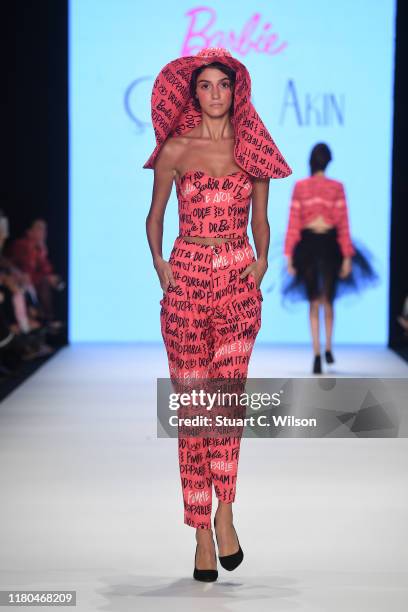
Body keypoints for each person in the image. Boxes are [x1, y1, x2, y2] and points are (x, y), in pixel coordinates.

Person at [145, 47, 291, 581]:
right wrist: (161, 264)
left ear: (235, 92)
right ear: (193, 93)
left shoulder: (254, 150)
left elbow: (263, 220)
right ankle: (200, 532)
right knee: (194, 410)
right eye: (204, 85)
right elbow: (154, 216)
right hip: (185, 278)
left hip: (235, 279)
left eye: (221, 85)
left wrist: (262, 262)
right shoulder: (175, 150)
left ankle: (225, 510)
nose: (213, 94)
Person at [283, 143, 378, 374]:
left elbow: (296, 222)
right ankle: (320, 351)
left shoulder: (314, 187)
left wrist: (289, 255)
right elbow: (298, 221)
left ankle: (323, 349)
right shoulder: (325, 187)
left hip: (320, 245)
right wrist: (289, 254)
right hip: (318, 246)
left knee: (319, 300)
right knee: (323, 300)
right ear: (328, 161)